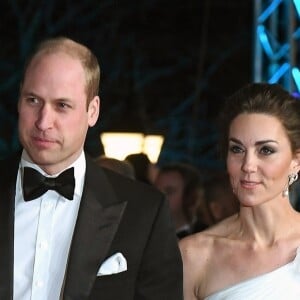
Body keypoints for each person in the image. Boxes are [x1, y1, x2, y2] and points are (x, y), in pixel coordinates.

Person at [0, 37, 183, 300]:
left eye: (62, 105)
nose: (43, 121)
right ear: (19, 100)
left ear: (93, 111)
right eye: (33, 100)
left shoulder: (144, 212)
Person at [179, 83, 300, 300]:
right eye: (237, 149)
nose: (248, 165)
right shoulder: (194, 255)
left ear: (296, 162)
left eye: (266, 150)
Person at [154, 162, 209, 239]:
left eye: (169, 191)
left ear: (191, 196)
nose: (159, 197)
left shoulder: (207, 235)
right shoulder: (146, 235)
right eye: (156, 191)